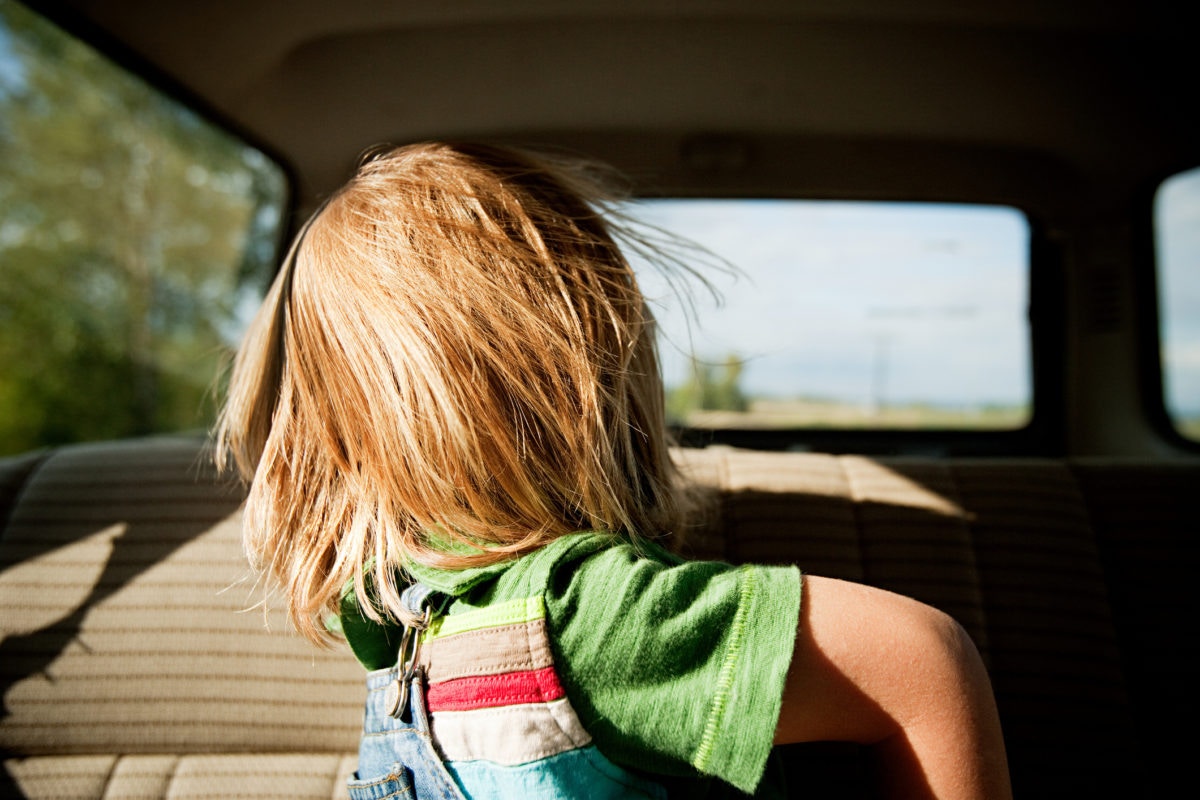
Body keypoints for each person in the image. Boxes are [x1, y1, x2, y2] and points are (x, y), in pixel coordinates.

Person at [215, 142, 1012, 799]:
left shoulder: (514, 615)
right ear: (596, 383)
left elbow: (921, 666)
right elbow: (928, 664)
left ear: (326, 429)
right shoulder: (494, 610)